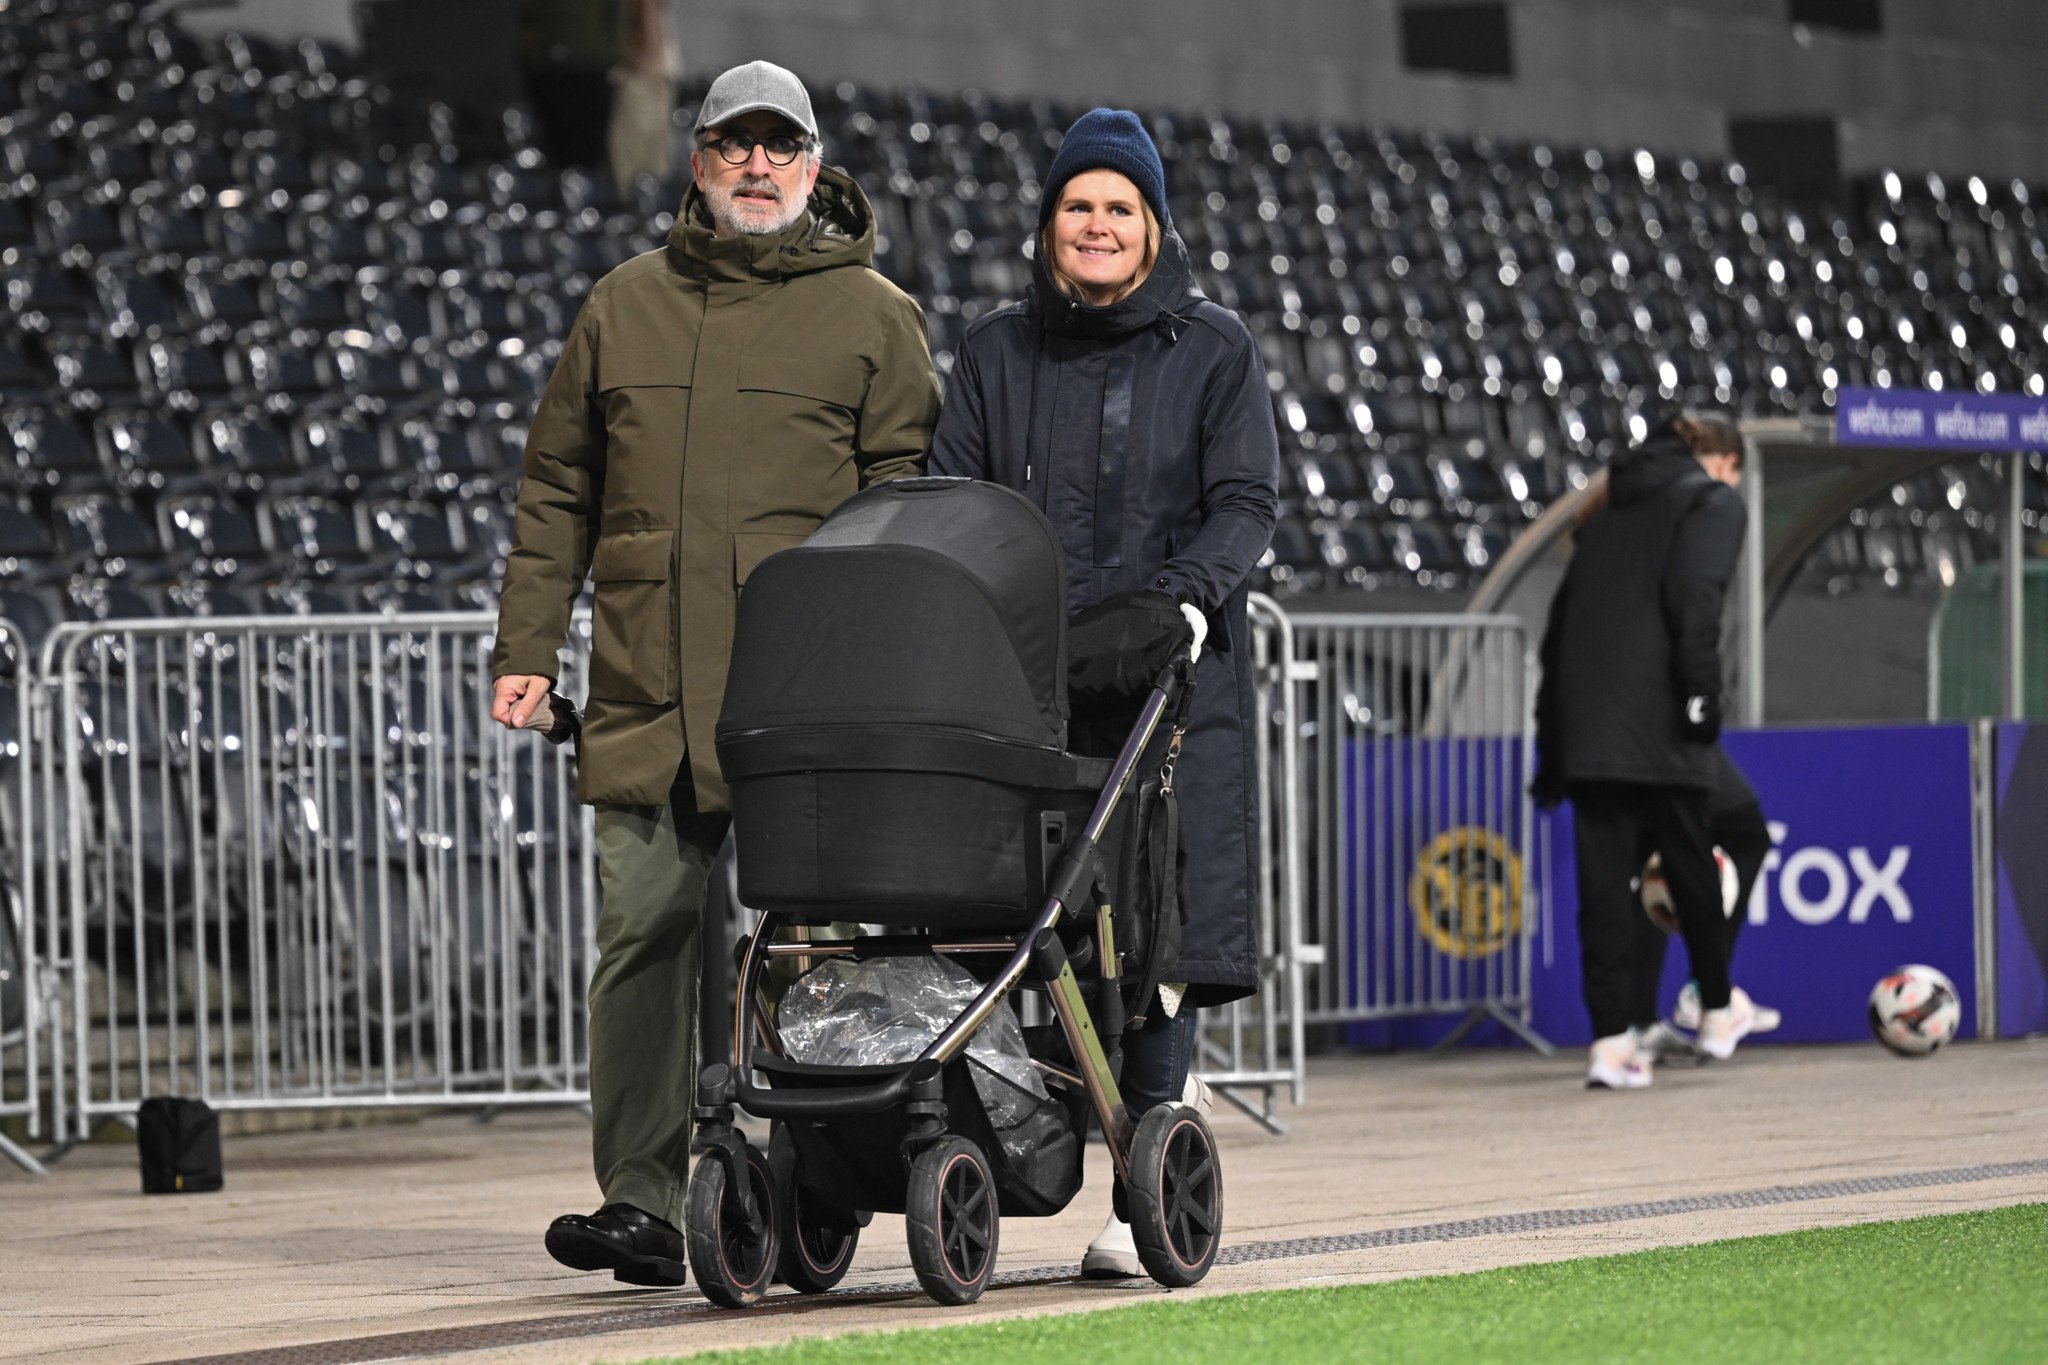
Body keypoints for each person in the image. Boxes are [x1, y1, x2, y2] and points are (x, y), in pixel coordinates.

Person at [490, 60, 940, 1286]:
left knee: (815, 950)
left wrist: (883, 671)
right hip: (645, 690)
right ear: (696, 164)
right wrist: (527, 647)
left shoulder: (873, 315)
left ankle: (819, 1185)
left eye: (776, 145)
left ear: (811, 165)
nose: (754, 165)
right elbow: (557, 491)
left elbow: (908, 505)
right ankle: (638, 1198)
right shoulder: (621, 303)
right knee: (642, 936)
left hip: (808, 703)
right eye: (731, 144)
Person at [928, 108, 1279, 1274]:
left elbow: (1244, 503)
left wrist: (1183, 598)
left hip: (1168, 687)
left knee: (1155, 932)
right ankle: (1038, 1141)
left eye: (1117, 207)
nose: (1095, 224)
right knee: (1033, 932)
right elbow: (953, 495)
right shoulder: (992, 350)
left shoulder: (1214, 349)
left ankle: (1140, 1176)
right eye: (1077, 205)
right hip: (1028, 688)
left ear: (1152, 226)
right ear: (1047, 226)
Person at [1532, 409, 1752, 1089]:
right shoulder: (1711, 501)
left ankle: (1611, 1044)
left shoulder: (1602, 508)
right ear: (1721, 461)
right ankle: (1715, 1009)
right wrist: (1701, 697)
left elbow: (1559, 626)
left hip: (1589, 726)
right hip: (1659, 718)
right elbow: (1696, 598)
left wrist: (1552, 735)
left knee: (1605, 888)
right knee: (1692, 865)